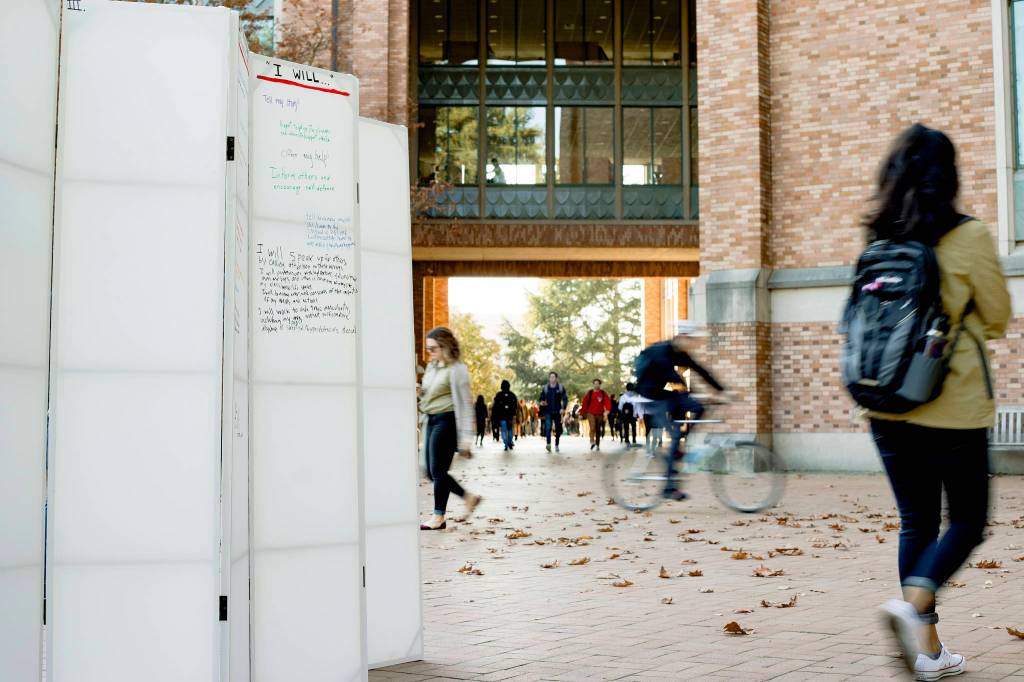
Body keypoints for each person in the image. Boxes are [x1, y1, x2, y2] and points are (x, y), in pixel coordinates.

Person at [859, 124, 1010, 680]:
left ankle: (928, 652)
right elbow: (996, 316)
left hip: (884, 406)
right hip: (951, 404)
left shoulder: (879, 241)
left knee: (916, 521)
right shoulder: (968, 236)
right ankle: (912, 605)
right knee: (968, 520)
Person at [635, 321, 727, 500]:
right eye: (690, 340)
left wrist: (723, 391)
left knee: (698, 407)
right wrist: (684, 386)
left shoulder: (680, 353)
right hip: (649, 396)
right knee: (675, 437)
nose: (692, 344)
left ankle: (681, 443)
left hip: (663, 394)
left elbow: (701, 370)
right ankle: (669, 488)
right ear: (681, 337)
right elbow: (668, 372)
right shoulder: (661, 350)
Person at [419, 327, 482, 530]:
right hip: (431, 419)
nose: (430, 353)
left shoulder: (457, 369)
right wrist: (421, 391)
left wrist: (465, 439)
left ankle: (438, 516)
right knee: (430, 471)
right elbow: (429, 394)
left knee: (438, 470)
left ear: (445, 346)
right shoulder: (432, 367)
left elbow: (465, 404)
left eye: (433, 348)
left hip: (447, 421)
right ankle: (468, 497)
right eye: (428, 349)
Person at [538, 371, 568, 453]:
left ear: (556, 378)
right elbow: (541, 398)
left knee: (558, 428)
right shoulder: (545, 388)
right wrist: (542, 402)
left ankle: (557, 444)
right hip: (548, 411)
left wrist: (563, 408)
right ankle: (548, 444)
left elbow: (565, 399)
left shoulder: (560, 388)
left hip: (558, 411)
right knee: (548, 428)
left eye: (553, 377)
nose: (552, 378)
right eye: (550, 377)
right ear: (549, 378)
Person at [580, 379, 611, 451]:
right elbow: (584, 404)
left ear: (600, 385)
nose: (596, 385)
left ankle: (597, 444)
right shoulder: (590, 393)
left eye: (598, 384)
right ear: (593, 384)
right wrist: (581, 413)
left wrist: (607, 411)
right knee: (592, 426)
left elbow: (608, 403)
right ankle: (591, 441)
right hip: (590, 413)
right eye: (595, 383)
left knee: (598, 429)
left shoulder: (603, 393)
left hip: (600, 414)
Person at [491, 379, 518, 451]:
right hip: (510, 416)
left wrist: (494, 416)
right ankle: (509, 441)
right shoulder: (512, 395)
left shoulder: (499, 395)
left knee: (503, 430)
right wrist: (514, 414)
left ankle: (505, 443)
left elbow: (495, 407)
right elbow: (515, 406)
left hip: (502, 416)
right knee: (510, 429)